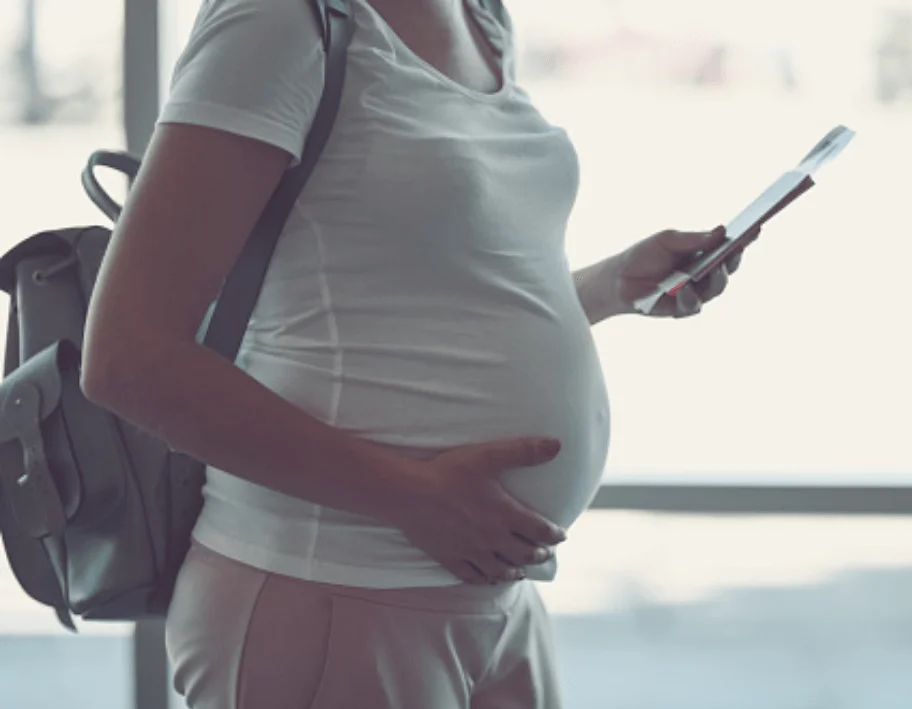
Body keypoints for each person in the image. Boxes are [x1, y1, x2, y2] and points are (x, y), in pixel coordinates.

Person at [80, 0, 741, 707]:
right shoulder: (279, 18)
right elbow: (128, 357)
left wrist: (610, 285)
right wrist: (408, 494)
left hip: (495, 597)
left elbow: (435, 304)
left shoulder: (480, 18)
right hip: (331, 594)